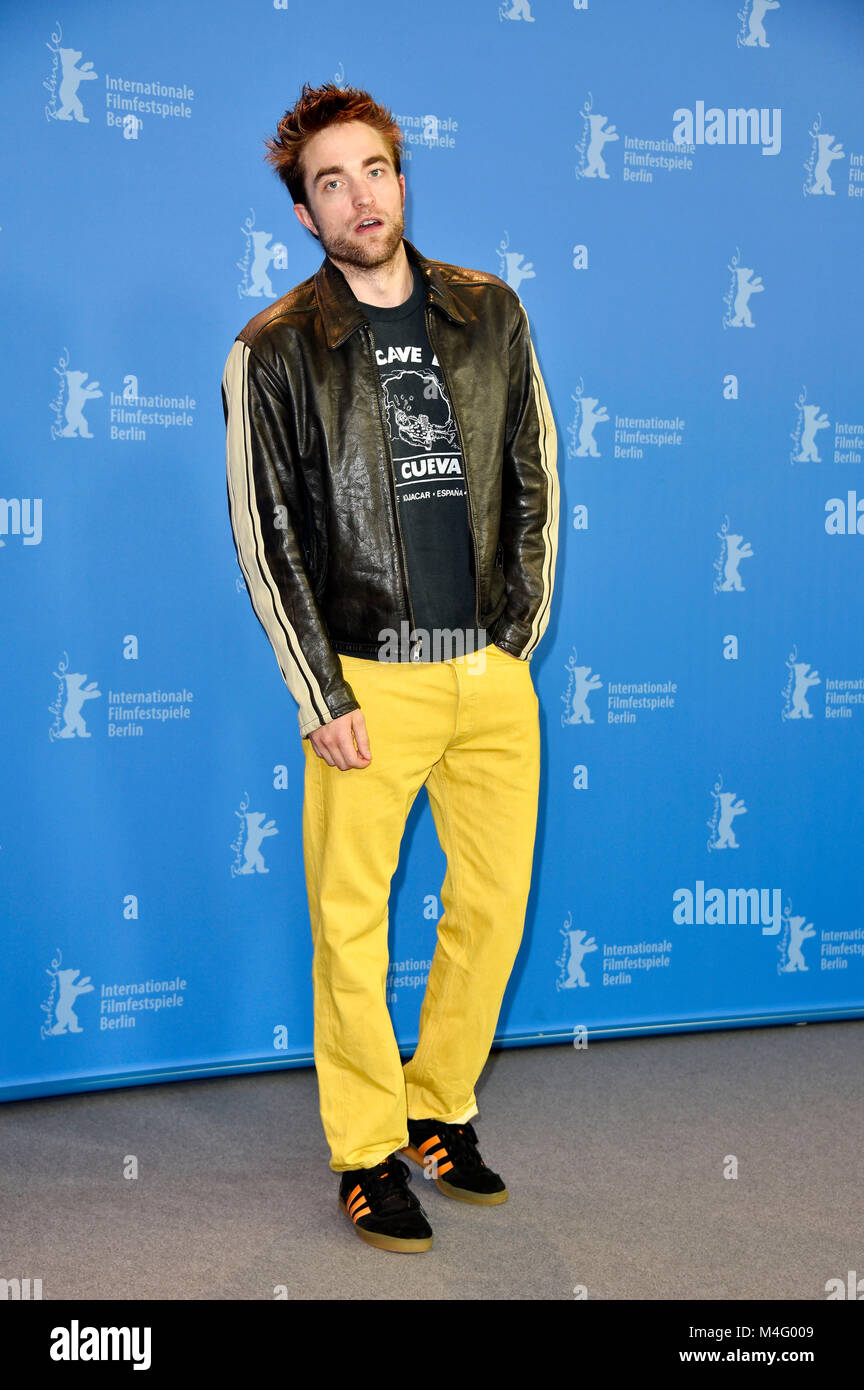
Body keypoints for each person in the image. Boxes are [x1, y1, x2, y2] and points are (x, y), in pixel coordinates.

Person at [222, 82, 559, 1253]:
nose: (359, 195)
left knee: (492, 910)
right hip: (369, 682)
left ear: (402, 180)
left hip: (487, 682)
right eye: (331, 182)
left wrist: (511, 646)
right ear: (306, 215)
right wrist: (324, 694)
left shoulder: (492, 313)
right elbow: (265, 538)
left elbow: (535, 482)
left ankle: (438, 1107)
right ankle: (367, 1149)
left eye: (374, 169)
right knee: (350, 925)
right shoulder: (273, 352)